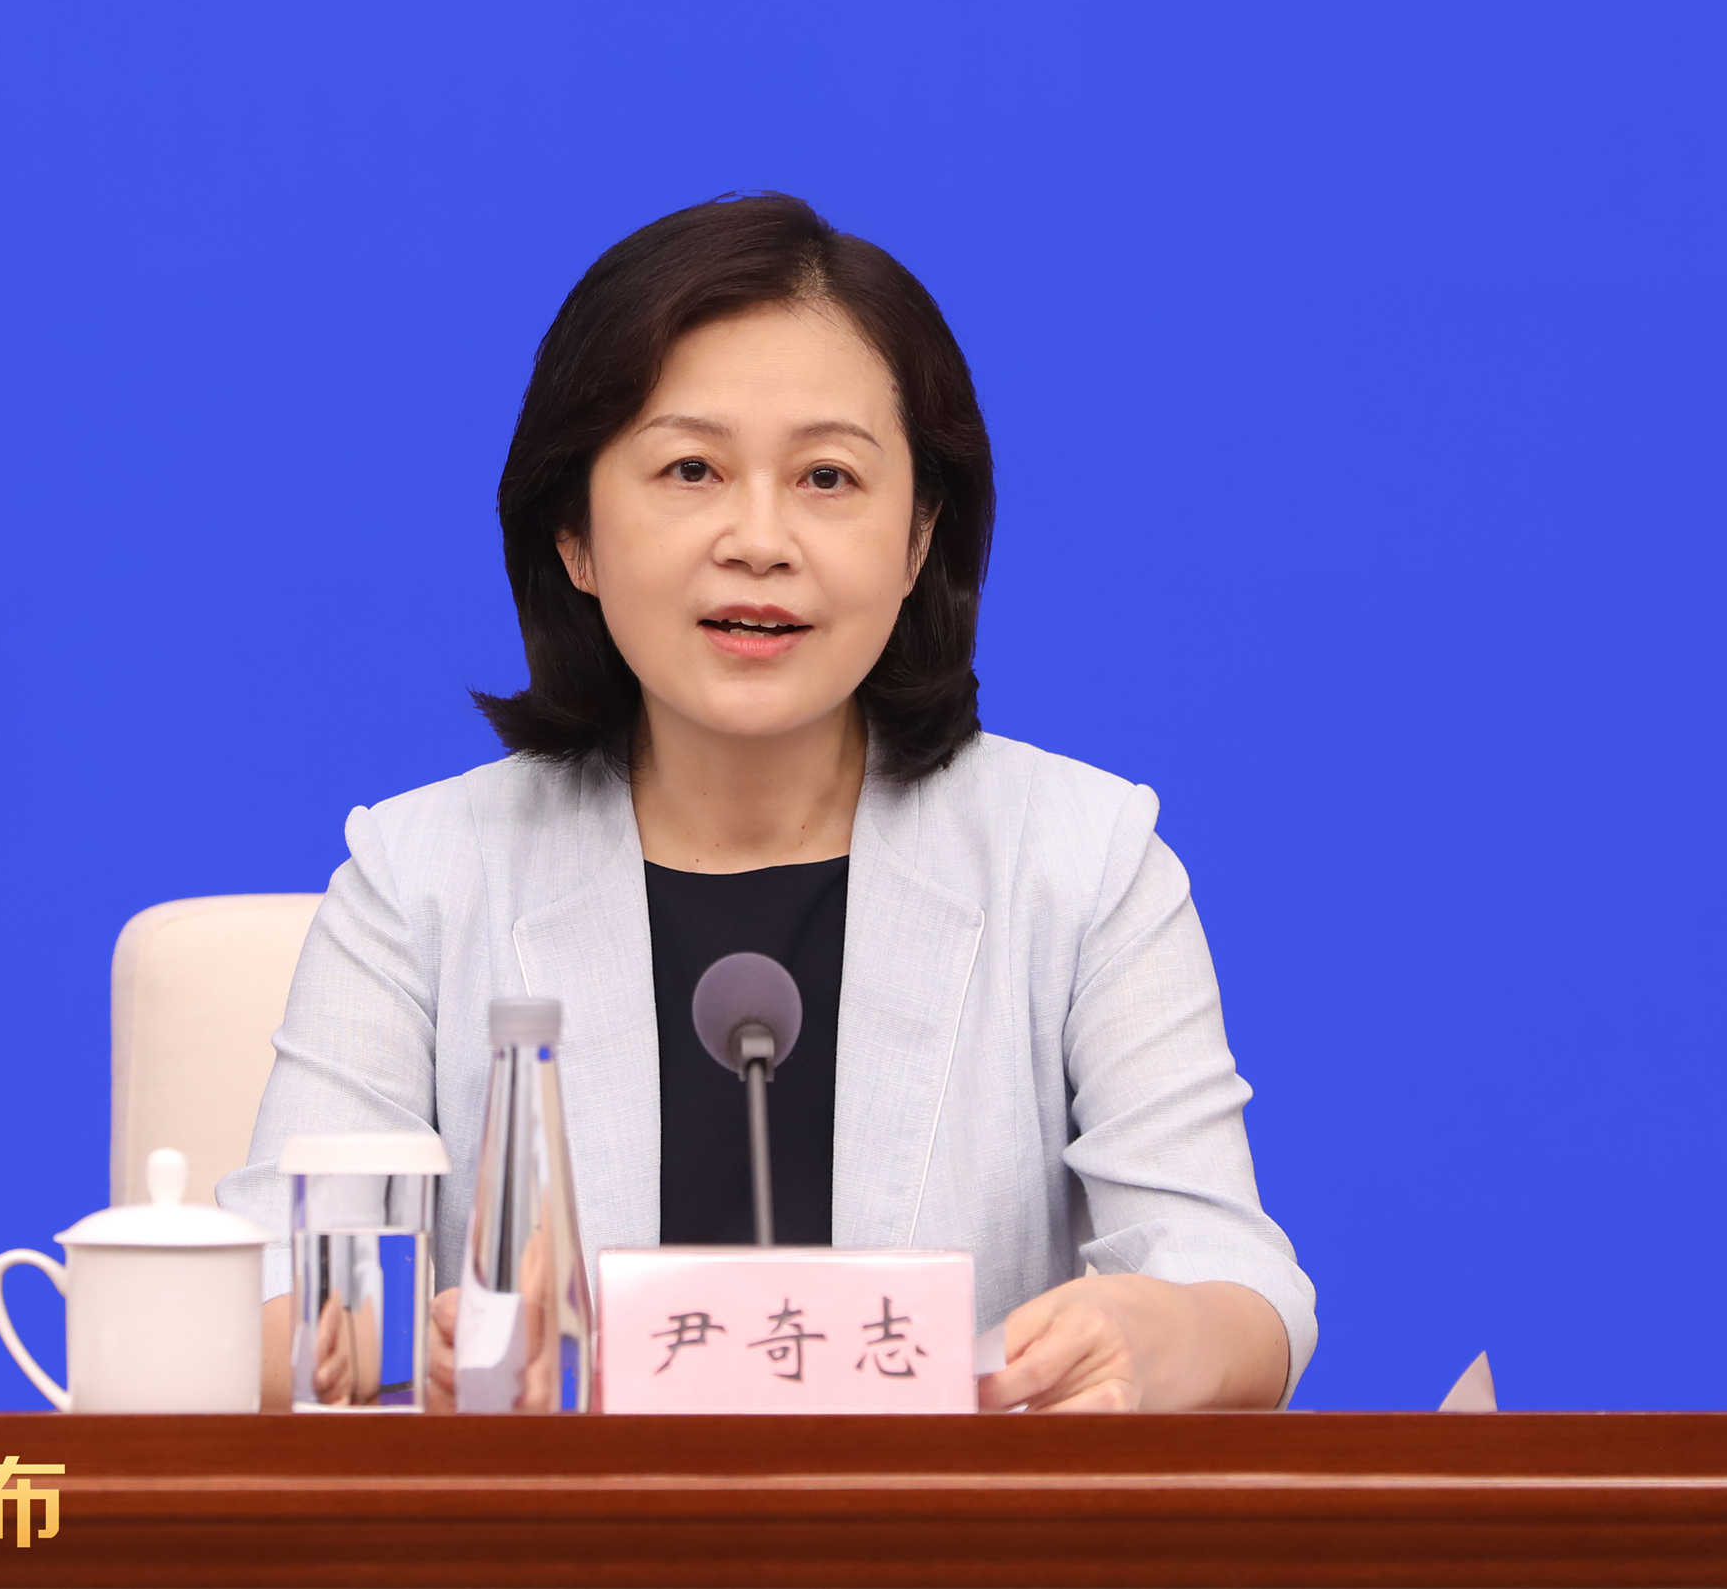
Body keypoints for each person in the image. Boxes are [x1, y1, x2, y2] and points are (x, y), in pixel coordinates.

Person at [219, 194, 1314, 1412]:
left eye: (827, 477)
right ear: (574, 533)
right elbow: (261, 1299)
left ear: (918, 538)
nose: (759, 539)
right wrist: (389, 1352)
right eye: (690, 469)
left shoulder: (1079, 860)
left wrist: (1161, 1335)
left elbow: (1236, 1284)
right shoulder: (422, 874)